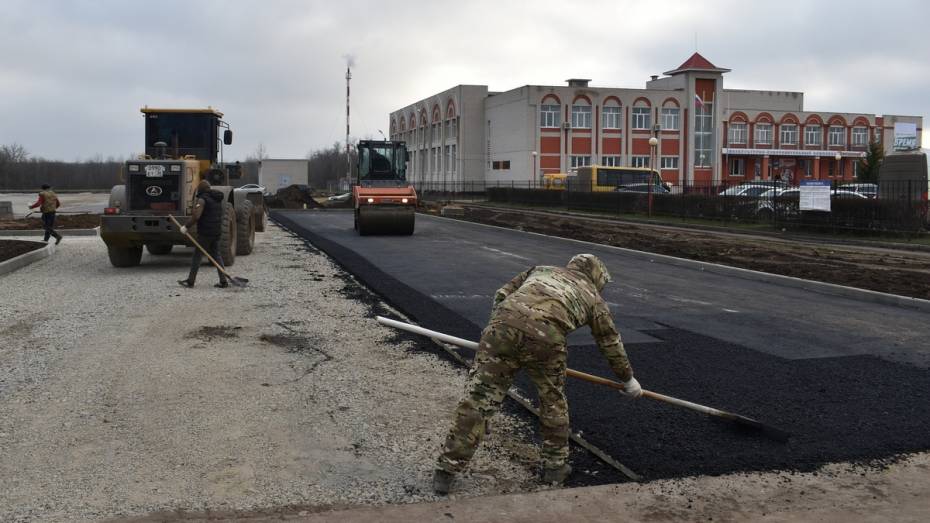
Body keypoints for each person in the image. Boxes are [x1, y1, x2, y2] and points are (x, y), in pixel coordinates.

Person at [433, 254, 642, 495]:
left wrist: (499, 329)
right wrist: (627, 378)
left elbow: (502, 294)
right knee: (552, 401)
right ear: (596, 276)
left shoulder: (540, 269)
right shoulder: (593, 298)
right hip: (546, 339)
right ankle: (554, 468)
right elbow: (610, 342)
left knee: (479, 399)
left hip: (501, 328)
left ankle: (446, 471)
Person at [177, 180, 228, 288]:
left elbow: (196, 216)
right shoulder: (217, 199)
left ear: (200, 189)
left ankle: (190, 281)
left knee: (197, 256)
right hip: (216, 232)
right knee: (217, 255)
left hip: (205, 233)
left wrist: (186, 227)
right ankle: (223, 281)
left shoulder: (202, 199)